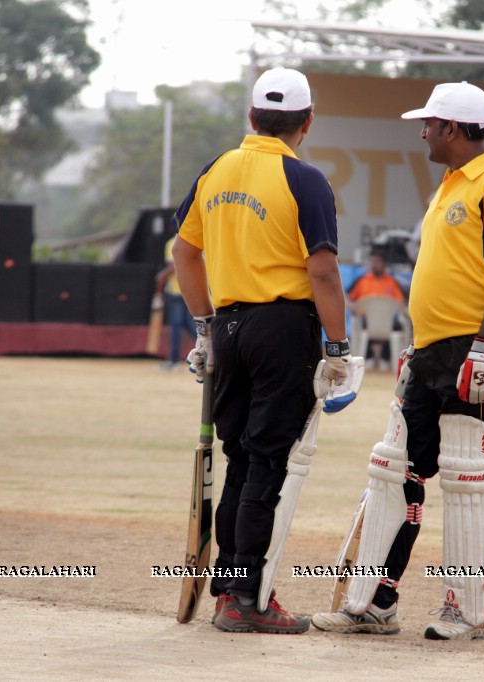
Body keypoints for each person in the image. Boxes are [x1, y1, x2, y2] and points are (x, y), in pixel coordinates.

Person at [312, 81, 484, 641]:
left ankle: (465, 610)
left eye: (430, 123)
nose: (423, 130)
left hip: (479, 347)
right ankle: (376, 602)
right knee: (395, 469)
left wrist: (483, 350)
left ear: (454, 129)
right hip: (434, 349)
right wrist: (422, 344)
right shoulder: (450, 184)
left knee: (469, 479)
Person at [171, 66, 363, 635]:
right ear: (307, 123)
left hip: (228, 329)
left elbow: (184, 253)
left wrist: (204, 328)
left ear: (251, 118)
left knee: (240, 458)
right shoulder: (305, 180)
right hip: (283, 330)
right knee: (268, 462)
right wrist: (339, 348)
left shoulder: (216, 169)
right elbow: (323, 271)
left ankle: (232, 592)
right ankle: (248, 598)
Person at [347, 248, 409, 370]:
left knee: (395, 325)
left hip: (387, 321)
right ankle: (367, 356)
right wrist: (352, 307)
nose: (374, 265)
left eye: (377, 262)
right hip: (365, 320)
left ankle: (386, 357)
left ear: (384, 264)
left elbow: (400, 303)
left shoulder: (392, 282)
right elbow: (347, 297)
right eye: (372, 262)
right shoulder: (362, 280)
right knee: (365, 322)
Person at [155, 235, 198, 370]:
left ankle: (174, 361)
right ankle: (210, 349)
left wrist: (162, 275)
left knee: (176, 326)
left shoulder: (172, 242)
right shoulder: (196, 239)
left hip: (176, 290)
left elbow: (174, 265)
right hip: (192, 288)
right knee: (189, 324)